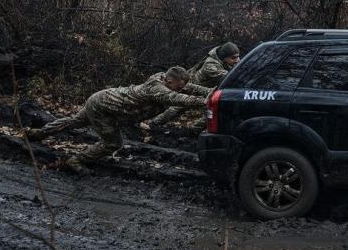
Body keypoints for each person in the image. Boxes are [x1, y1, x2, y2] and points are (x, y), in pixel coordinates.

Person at [26, 67, 211, 174]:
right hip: (103, 107)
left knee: (74, 121)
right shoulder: (157, 89)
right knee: (113, 143)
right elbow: (177, 99)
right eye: (179, 86)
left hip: (102, 100)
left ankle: (37, 133)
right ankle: (76, 160)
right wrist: (206, 101)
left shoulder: (165, 80)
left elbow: (188, 88)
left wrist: (209, 91)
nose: (182, 89)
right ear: (170, 81)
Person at [149, 42, 240, 128]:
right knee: (176, 109)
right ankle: (152, 124)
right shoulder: (211, 65)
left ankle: (194, 130)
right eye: (233, 58)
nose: (237, 60)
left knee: (211, 110)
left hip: (203, 88)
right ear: (224, 57)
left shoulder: (223, 61)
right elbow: (231, 78)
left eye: (238, 57)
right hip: (191, 87)